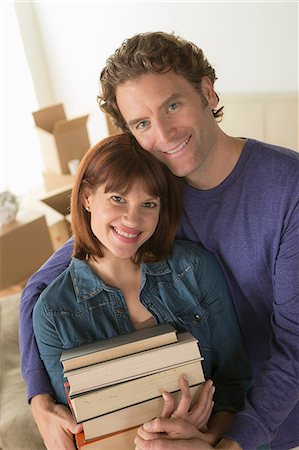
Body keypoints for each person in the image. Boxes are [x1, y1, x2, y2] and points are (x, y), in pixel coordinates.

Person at [19, 31, 299, 450]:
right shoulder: (151, 196)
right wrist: (39, 399)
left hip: (276, 425)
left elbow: (296, 348)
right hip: (186, 418)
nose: (164, 134)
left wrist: (228, 443)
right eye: (142, 123)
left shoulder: (287, 188)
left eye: (172, 105)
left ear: (207, 91)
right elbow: (43, 284)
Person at [31, 133, 251, 449]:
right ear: (87, 198)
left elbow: (235, 381)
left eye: (148, 203)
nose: (132, 219)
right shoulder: (53, 312)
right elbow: (80, 429)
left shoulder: (195, 268)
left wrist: (203, 438)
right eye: (118, 198)